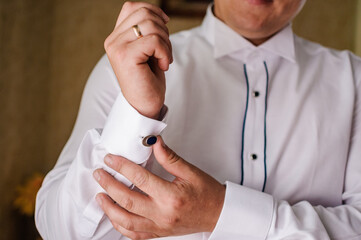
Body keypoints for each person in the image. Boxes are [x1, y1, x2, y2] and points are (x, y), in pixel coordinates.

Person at [35, 0, 361, 239]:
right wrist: (136, 112)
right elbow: (61, 231)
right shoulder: (124, 67)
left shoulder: (354, 80)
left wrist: (220, 212)